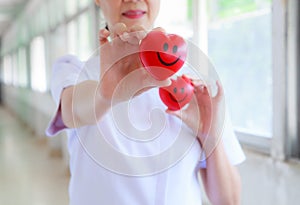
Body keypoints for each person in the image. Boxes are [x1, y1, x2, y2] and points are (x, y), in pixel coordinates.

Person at [46, 0, 245, 204]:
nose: (133, 0)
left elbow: (228, 201)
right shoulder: (75, 70)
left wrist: (210, 135)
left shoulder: (197, 85)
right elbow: (74, 111)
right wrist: (104, 95)